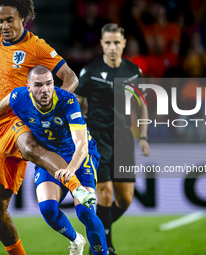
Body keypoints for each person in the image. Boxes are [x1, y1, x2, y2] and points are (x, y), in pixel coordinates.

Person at [0, 1, 95, 254]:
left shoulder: (36, 46)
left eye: (9, 19)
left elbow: (70, 77)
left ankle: (76, 186)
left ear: (23, 17)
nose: (3, 26)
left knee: (28, 144)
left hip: (22, 121)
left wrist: (53, 108)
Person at [0, 65, 107, 255]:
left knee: (85, 212)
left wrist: (70, 169)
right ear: (29, 88)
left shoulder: (67, 102)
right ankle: (76, 240)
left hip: (79, 156)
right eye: (38, 85)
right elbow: (9, 99)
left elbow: (81, 145)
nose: (45, 90)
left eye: (49, 83)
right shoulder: (21, 97)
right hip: (50, 156)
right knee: (48, 210)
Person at [74, 23, 150, 254]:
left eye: (117, 42)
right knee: (104, 193)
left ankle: (98, 229)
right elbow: (75, 102)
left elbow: (143, 106)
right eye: (108, 42)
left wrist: (144, 137)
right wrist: (76, 132)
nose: (112, 47)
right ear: (101, 43)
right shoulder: (91, 70)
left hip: (124, 139)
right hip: (97, 138)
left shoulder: (134, 71)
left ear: (124, 43)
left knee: (125, 199)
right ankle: (105, 246)